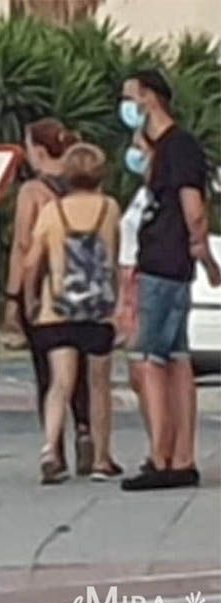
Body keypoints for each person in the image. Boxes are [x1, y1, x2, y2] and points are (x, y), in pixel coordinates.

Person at [118, 69, 221, 491]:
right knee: (177, 358)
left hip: (163, 263)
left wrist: (205, 252)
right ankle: (182, 456)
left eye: (130, 97)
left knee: (149, 361)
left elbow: (192, 206)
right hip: (172, 263)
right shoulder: (167, 148)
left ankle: (162, 456)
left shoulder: (178, 147)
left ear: (150, 98)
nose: (126, 107)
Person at [23, 143, 122, 484]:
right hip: (98, 312)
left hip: (57, 310)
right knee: (99, 386)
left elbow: (32, 260)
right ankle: (101, 458)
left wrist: (30, 299)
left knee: (59, 383)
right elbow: (115, 258)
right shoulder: (110, 209)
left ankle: (50, 449)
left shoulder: (52, 212)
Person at [4, 118, 94, 475]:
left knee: (49, 372)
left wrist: (14, 297)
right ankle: (86, 430)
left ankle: (53, 446)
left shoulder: (33, 192)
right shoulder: (84, 187)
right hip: (84, 288)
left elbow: (24, 247)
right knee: (82, 369)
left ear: (38, 151)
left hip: (44, 291)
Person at [117, 133, 154, 431]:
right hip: (132, 282)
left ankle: (160, 441)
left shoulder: (155, 195)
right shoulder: (143, 193)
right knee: (138, 374)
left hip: (139, 283)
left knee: (146, 369)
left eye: (140, 147)